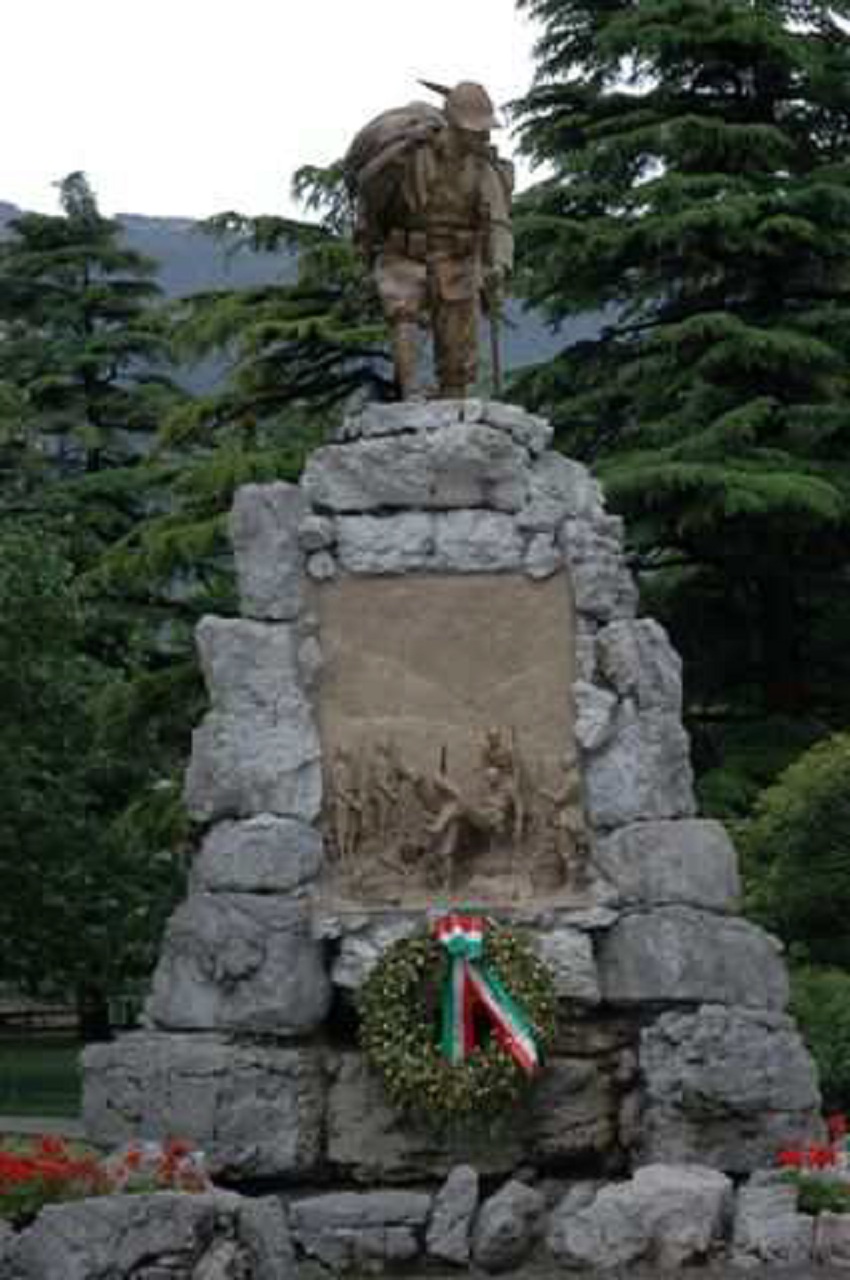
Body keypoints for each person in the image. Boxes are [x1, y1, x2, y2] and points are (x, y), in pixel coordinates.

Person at [347, 80, 514, 399]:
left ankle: (453, 396)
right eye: (474, 130)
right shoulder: (412, 153)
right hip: (406, 251)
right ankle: (409, 390)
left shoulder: (484, 170)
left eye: (484, 130)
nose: (482, 136)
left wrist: (500, 265)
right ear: (454, 126)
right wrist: (400, 150)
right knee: (403, 312)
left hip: (458, 257)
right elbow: (366, 185)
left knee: (456, 346)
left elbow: (499, 223)